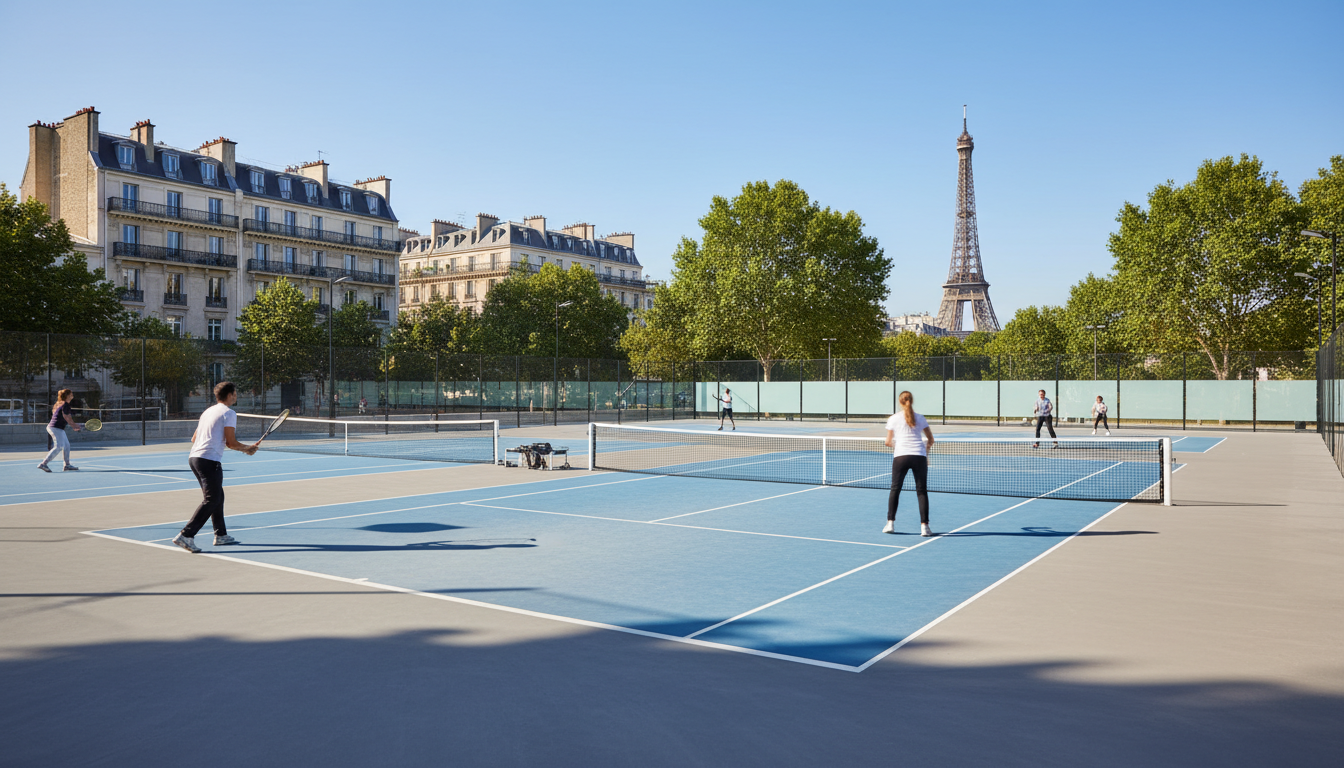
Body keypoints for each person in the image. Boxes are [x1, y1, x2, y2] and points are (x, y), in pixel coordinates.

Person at [172, 382, 259, 553]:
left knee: (218, 496)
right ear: (230, 395)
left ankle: (221, 535)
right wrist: (247, 449)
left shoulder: (208, 412)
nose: (236, 396)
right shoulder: (229, 413)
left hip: (194, 458)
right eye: (235, 393)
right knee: (212, 499)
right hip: (208, 460)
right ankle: (186, 535)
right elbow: (231, 443)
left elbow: (194, 438)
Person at [884, 391, 935, 537]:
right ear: (912, 401)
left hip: (901, 457)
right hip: (919, 457)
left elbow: (888, 442)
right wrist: (926, 453)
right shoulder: (920, 418)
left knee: (895, 489)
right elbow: (931, 440)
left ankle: (890, 524)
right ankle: (924, 527)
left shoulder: (893, 419)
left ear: (900, 402)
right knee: (921, 491)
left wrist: (899, 447)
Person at [37, 389, 83, 472]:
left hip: (57, 428)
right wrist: (74, 425)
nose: (72, 395)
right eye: (71, 394)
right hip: (55, 427)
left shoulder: (59, 404)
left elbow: (62, 416)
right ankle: (43, 464)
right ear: (68, 395)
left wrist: (74, 425)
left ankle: (67, 465)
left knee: (66, 445)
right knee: (59, 446)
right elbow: (66, 416)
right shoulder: (65, 404)